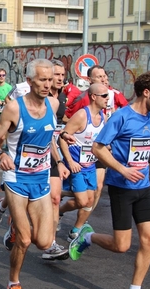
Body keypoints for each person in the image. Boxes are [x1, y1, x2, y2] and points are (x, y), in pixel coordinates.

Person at [69, 71, 150, 289]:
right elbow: (98, 148)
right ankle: (87, 237)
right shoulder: (121, 117)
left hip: (143, 188)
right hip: (121, 188)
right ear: (146, 93)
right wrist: (122, 169)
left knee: (149, 238)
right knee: (121, 246)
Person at [0, 59, 64, 289]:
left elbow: (50, 137)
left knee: (43, 241)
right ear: (30, 81)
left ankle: (8, 218)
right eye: (43, 79)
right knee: (25, 238)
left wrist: (60, 159)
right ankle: (13, 284)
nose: (48, 84)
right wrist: (1, 154)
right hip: (16, 177)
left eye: (50, 79)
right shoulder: (14, 109)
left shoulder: (53, 103)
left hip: (41, 178)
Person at [59, 83, 107, 242]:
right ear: (94, 97)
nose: (108, 99)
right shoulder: (81, 115)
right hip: (76, 165)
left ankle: (75, 230)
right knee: (81, 200)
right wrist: (70, 161)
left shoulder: (103, 117)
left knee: (90, 200)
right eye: (104, 96)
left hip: (90, 165)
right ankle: (58, 210)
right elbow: (62, 138)